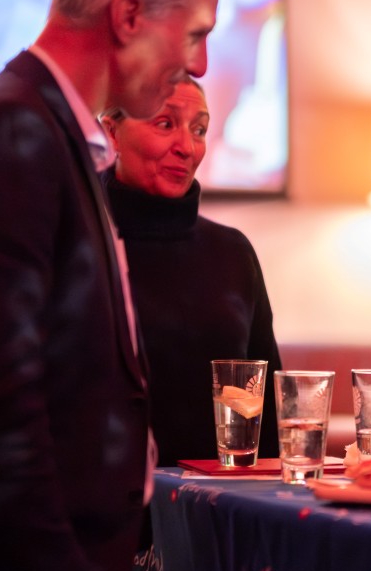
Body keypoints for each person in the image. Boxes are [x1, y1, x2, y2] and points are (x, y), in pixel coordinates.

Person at [0, 0, 230, 571]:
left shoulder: (52, 133)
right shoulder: (12, 132)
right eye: (194, 34)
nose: (199, 65)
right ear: (128, 15)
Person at [100, 77, 281, 467]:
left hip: (218, 506)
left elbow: (266, 412)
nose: (187, 147)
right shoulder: (79, 240)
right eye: (165, 124)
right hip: (104, 510)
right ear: (110, 133)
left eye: (199, 129)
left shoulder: (232, 251)